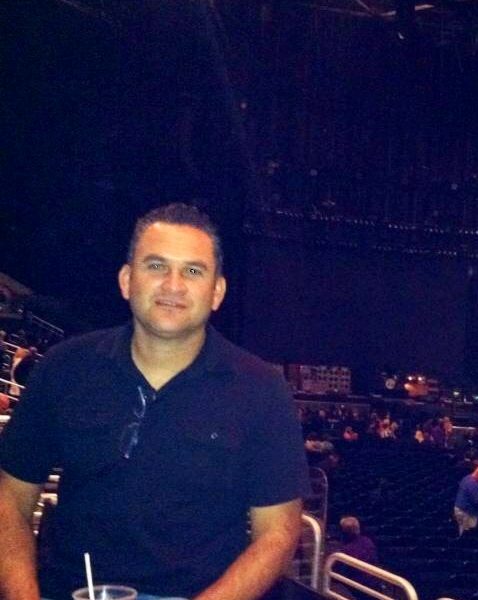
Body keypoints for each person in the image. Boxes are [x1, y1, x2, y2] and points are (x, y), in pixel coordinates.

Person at [0, 203, 310, 600]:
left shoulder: (263, 389)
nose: (173, 285)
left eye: (193, 271)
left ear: (217, 292)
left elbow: (278, 533)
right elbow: (11, 498)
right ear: (127, 280)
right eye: (157, 265)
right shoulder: (64, 368)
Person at [453, 465, 478, 536]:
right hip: (466, 512)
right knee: (468, 532)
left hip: (460, 508)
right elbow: (477, 501)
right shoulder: (472, 484)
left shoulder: (466, 478)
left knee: (462, 529)